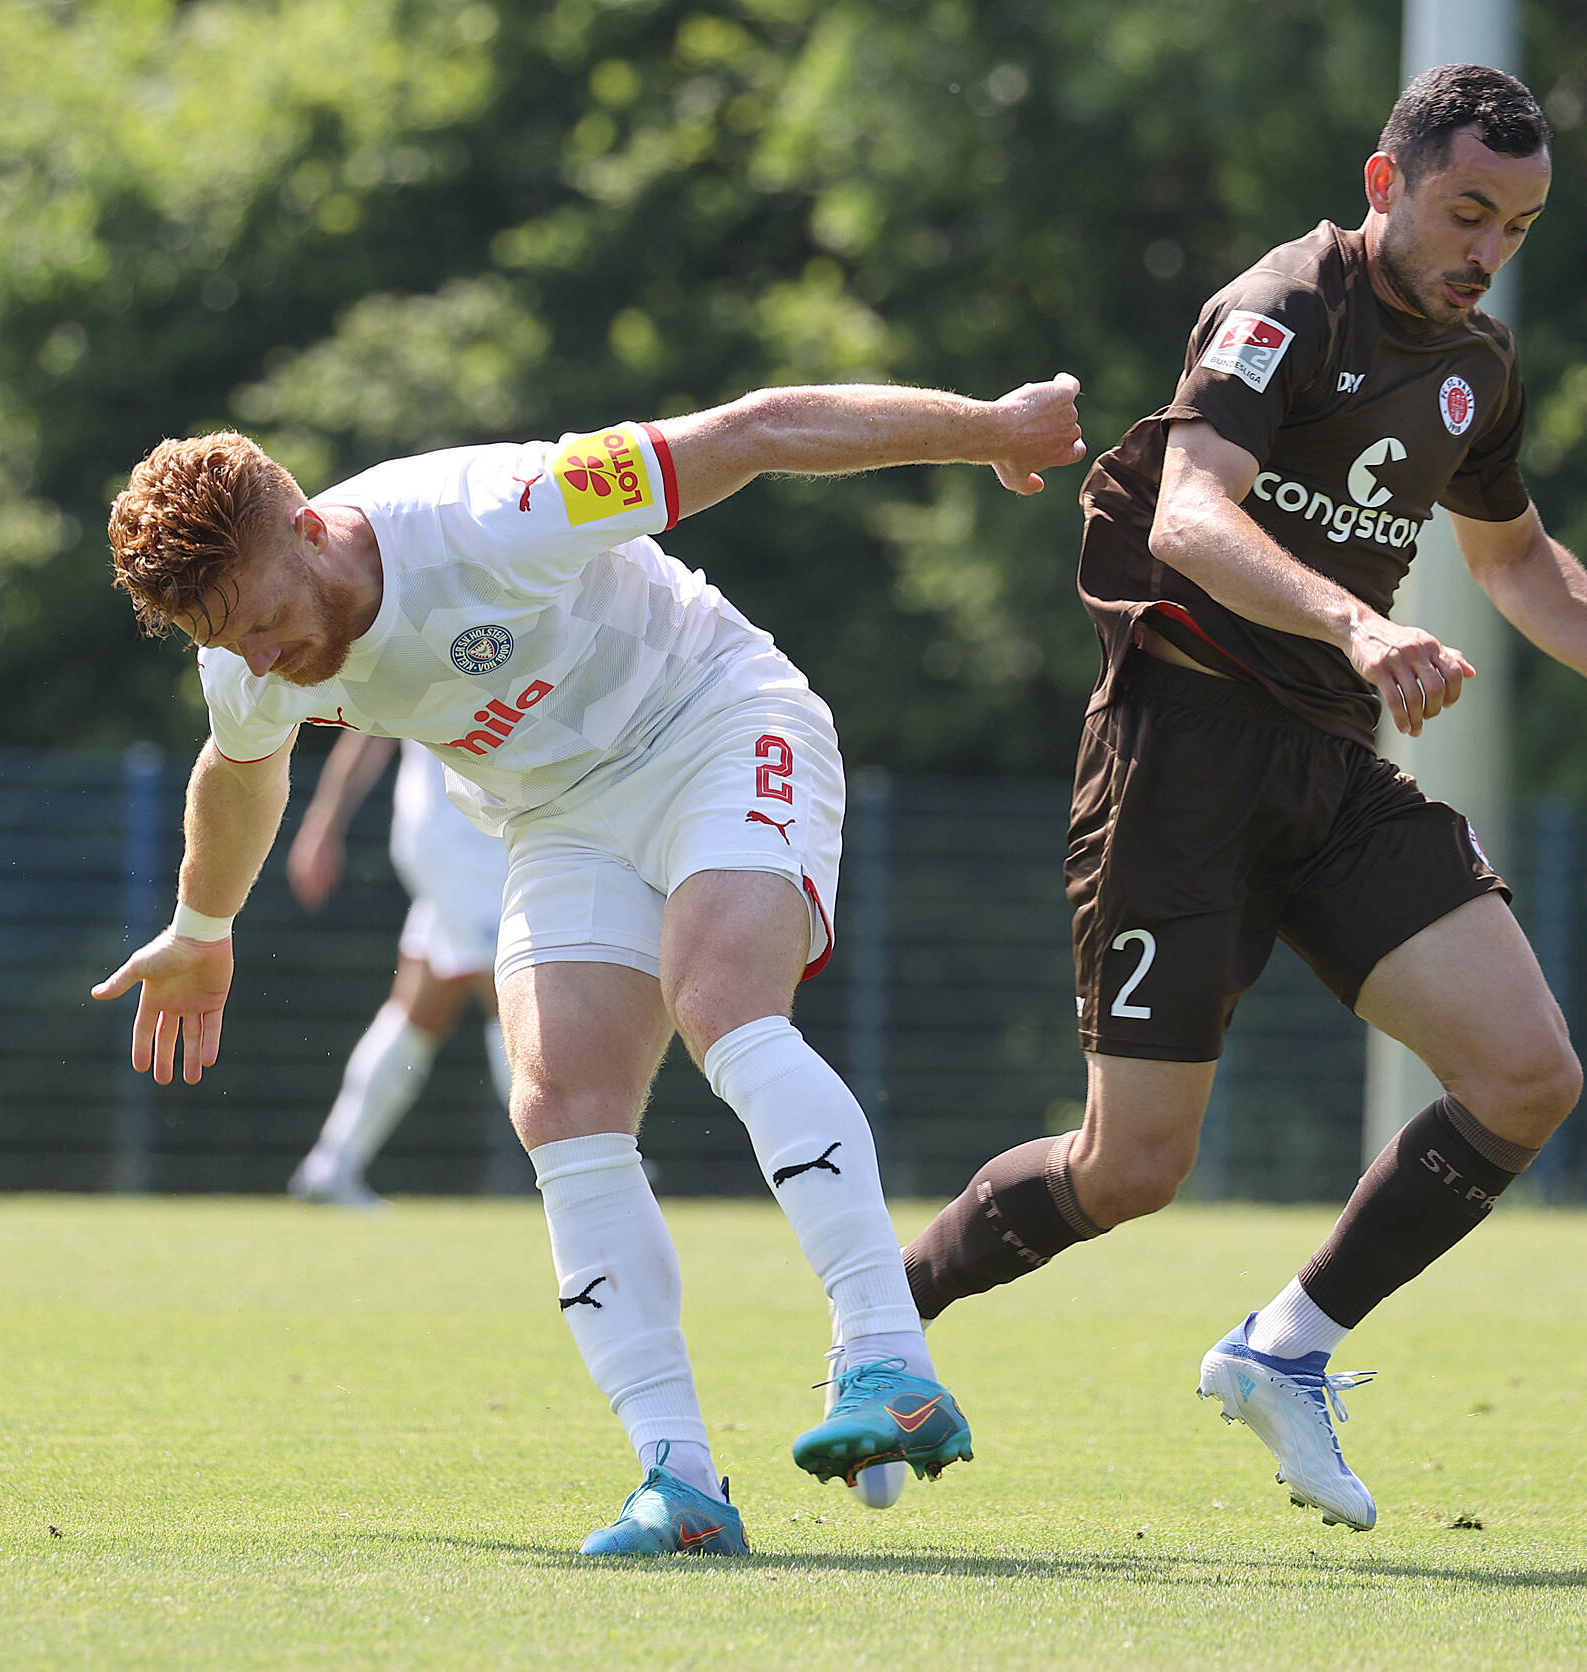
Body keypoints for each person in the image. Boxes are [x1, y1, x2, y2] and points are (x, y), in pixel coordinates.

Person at [90, 374, 1084, 1556]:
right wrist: (202, 931)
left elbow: (750, 434)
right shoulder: (245, 662)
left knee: (720, 1004)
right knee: (557, 1105)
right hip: (556, 812)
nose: (256, 657)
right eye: (222, 641)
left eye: (259, 619)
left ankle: (884, 1354)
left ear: (308, 527)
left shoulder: (496, 510)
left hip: (718, 721)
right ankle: (683, 1487)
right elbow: (241, 767)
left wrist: (993, 430)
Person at [899, 64, 1587, 1532]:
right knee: (1130, 1170)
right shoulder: (1287, 304)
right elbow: (1190, 515)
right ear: (1386, 185)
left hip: (1325, 766)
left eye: (1514, 227)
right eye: (1465, 213)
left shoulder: (1480, 368)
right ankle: (884, 1332)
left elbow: (1509, 556)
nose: (1485, 250)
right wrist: (1363, 627)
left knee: (1527, 1074)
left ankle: (1285, 1351)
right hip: (1179, 753)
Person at [283, 732, 514, 1208]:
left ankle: (331, 1165)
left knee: (418, 1011)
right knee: (519, 997)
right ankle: (579, 1163)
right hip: (460, 848)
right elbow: (368, 728)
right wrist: (323, 823)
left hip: (473, 845)